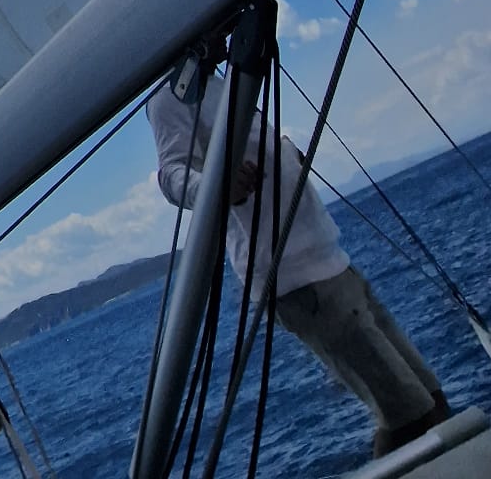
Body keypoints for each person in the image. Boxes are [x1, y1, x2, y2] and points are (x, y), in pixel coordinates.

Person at [148, 34, 451, 459]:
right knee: (407, 416)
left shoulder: (227, 84)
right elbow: (171, 174)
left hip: (331, 264)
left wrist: (285, 155)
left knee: (432, 402)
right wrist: (220, 187)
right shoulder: (171, 100)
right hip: (297, 282)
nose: (231, 26)